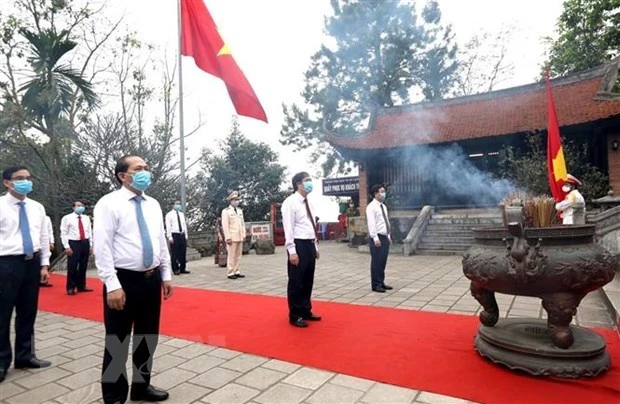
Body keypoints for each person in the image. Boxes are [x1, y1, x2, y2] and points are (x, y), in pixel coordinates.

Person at [94, 155, 172, 404]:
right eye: (138, 169)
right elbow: (103, 246)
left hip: (151, 279)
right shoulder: (109, 203)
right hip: (123, 280)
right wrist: (112, 284)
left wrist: (166, 274)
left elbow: (160, 240)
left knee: (148, 336)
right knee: (117, 340)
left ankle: (141, 387)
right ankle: (114, 396)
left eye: (147, 168)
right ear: (122, 176)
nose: (145, 172)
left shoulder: (153, 204)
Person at [0, 165, 52, 384]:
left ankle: (25, 356)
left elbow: (42, 236)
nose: (25, 181)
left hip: (32, 263)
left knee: (28, 312)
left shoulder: (36, 207)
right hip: (6, 263)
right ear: (7, 183)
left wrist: (44, 265)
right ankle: (2, 361)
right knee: (2, 314)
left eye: (28, 178)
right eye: (20, 178)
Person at [282, 172, 321, 328]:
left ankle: (306, 310)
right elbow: (289, 228)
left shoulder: (309, 203)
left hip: (309, 243)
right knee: (296, 281)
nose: (310, 183)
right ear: (298, 184)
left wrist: (315, 245)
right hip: (298, 244)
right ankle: (295, 314)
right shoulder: (290, 202)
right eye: (307, 180)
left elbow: (312, 225)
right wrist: (291, 250)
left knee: (307, 280)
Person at [60, 200, 94, 295]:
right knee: (72, 266)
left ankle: (81, 285)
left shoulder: (86, 218)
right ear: (73, 207)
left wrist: (91, 245)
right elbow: (64, 233)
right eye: (78, 205)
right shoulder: (67, 218)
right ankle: (71, 287)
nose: (81, 207)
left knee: (83, 265)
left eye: (82, 205)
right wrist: (66, 246)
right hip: (74, 243)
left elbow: (89, 232)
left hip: (85, 242)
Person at [366, 184, 394, 293]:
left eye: (384, 191)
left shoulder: (383, 206)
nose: (383, 194)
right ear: (375, 194)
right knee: (376, 261)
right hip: (376, 237)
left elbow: (385, 222)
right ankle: (376, 284)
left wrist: (388, 236)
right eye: (381, 192)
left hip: (384, 236)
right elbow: (371, 223)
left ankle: (381, 282)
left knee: (383, 261)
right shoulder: (371, 207)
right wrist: (375, 238)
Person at [221, 191, 247, 279]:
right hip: (232, 236)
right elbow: (225, 225)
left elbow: (242, 224)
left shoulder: (240, 211)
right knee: (231, 255)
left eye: (238, 200)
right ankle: (230, 272)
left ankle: (237, 270)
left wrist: (244, 234)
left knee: (238, 255)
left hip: (239, 236)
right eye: (235, 200)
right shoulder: (226, 211)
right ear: (231, 201)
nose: (237, 201)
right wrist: (227, 237)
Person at [165, 200, 190, 275]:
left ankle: (183, 268)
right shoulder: (169, 215)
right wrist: (169, 237)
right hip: (174, 234)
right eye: (176, 204)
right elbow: (168, 226)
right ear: (173, 205)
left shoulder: (181, 214)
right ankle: (175, 269)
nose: (178, 205)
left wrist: (186, 235)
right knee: (174, 253)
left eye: (179, 204)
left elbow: (184, 225)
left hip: (181, 234)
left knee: (183, 252)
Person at [40, 215, 54, 287]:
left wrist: (51, 241)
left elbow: (50, 231)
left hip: (45, 241)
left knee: (45, 260)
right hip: (36, 242)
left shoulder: (47, 218)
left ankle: (44, 279)